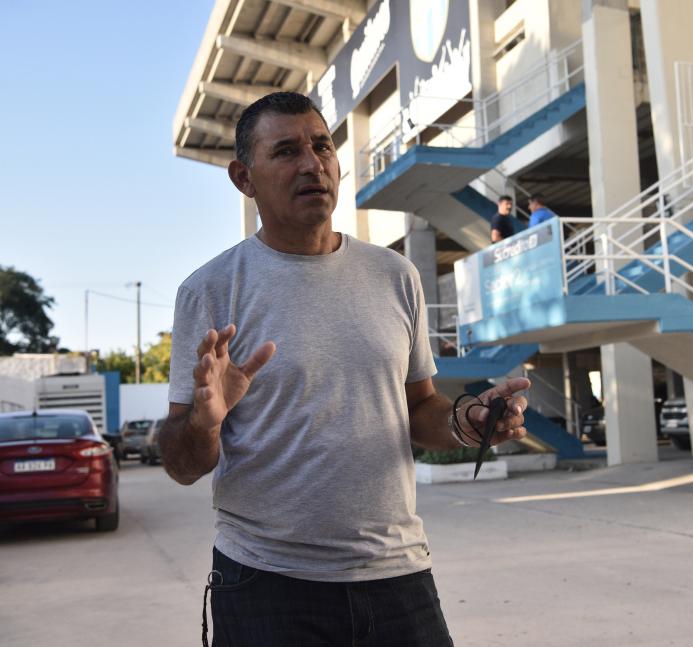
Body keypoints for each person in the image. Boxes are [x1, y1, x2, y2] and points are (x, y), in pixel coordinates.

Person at [160, 91, 531, 646]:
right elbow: (181, 464)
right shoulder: (211, 292)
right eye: (285, 151)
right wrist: (205, 423)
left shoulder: (395, 275)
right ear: (244, 177)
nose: (312, 163)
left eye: (322, 145)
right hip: (266, 583)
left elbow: (418, 411)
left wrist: (464, 421)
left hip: (397, 574)